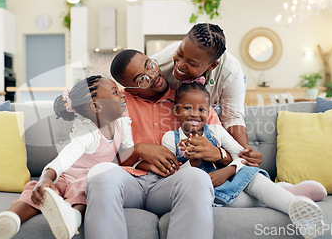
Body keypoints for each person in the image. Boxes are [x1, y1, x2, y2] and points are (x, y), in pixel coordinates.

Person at [84, 50, 228, 239]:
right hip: (130, 184)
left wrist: (218, 153)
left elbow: (231, 151)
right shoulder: (116, 103)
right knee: (100, 174)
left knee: (197, 178)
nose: (153, 76)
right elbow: (102, 157)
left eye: (150, 65)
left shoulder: (191, 100)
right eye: (141, 79)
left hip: (170, 185)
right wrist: (138, 150)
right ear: (128, 88)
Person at [162, 82, 326, 238]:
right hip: (210, 192)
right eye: (188, 108)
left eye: (202, 109)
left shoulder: (216, 131)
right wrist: (194, 163)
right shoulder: (170, 139)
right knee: (237, 201)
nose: (195, 114)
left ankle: (294, 206)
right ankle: (282, 191)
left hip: (230, 178)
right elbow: (171, 178)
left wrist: (227, 171)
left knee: (250, 174)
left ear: (209, 111)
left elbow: (242, 158)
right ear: (176, 110)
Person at [0, 75, 134, 239]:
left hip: (88, 180)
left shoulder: (123, 125)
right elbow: (66, 157)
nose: (122, 95)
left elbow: (129, 155)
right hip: (66, 175)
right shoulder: (88, 132)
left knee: (84, 190)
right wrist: (45, 178)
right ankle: (11, 218)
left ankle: (70, 218)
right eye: (115, 92)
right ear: (96, 106)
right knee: (37, 190)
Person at [152, 23, 253, 157]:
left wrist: (245, 152)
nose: (180, 65)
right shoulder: (159, 65)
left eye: (192, 63)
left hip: (221, 90)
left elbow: (232, 117)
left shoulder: (230, 72)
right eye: (179, 53)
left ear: (212, 66)